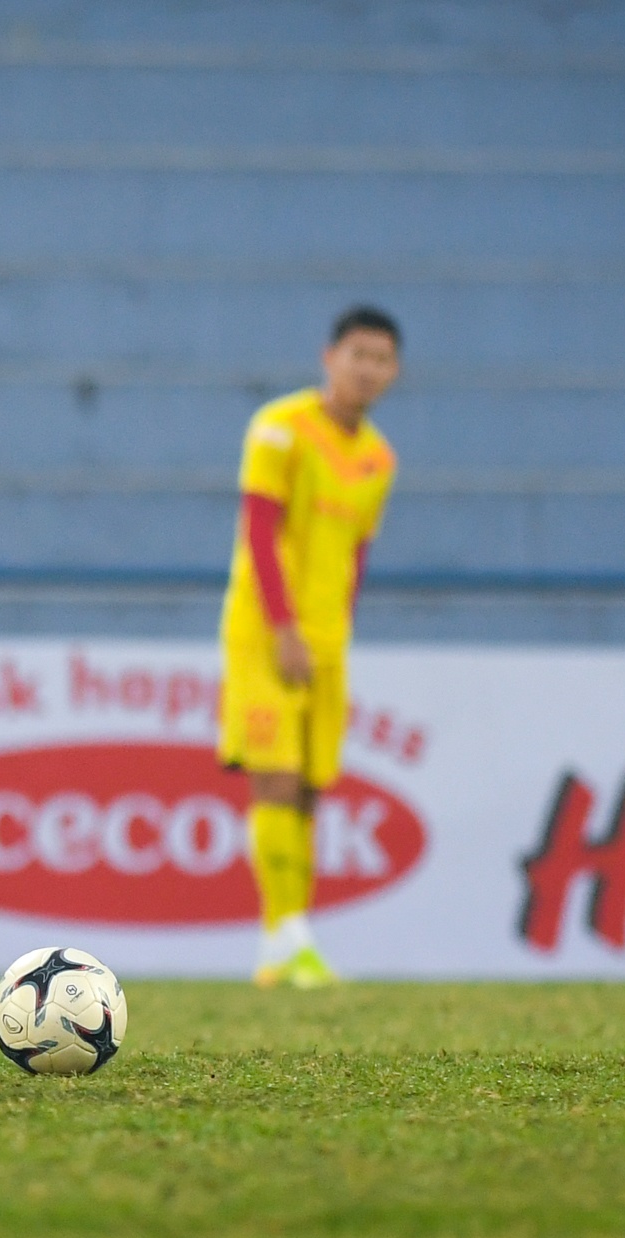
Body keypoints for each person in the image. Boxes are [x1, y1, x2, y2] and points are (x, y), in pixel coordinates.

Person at [217, 306, 401, 988]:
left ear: (394, 371)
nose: (367, 369)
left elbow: (357, 554)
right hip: (267, 632)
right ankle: (291, 936)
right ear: (330, 358)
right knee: (275, 777)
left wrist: (335, 634)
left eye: (380, 359)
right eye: (358, 354)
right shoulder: (278, 428)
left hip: (328, 641)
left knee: (312, 791)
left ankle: (279, 948)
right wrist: (285, 629)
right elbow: (259, 533)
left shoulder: (379, 459)